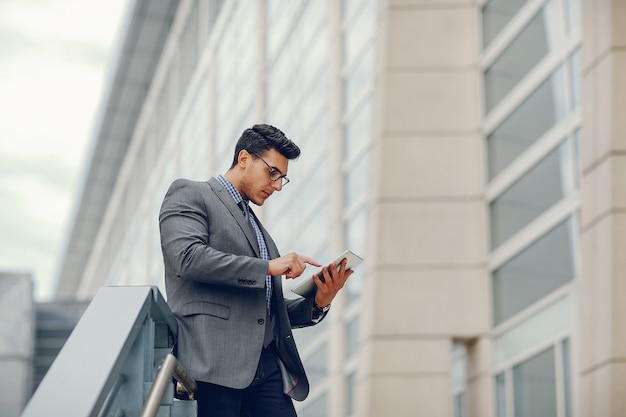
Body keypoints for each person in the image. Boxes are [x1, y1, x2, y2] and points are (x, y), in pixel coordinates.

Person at [159, 124, 354, 417]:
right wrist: (267, 267)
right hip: (211, 363)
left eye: (282, 179)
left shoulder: (262, 234)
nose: (276, 185)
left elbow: (265, 313)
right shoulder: (191, 193)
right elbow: (186, 258)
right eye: (272, 172)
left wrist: (318, 301)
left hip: (265, 369)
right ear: (244, 159)